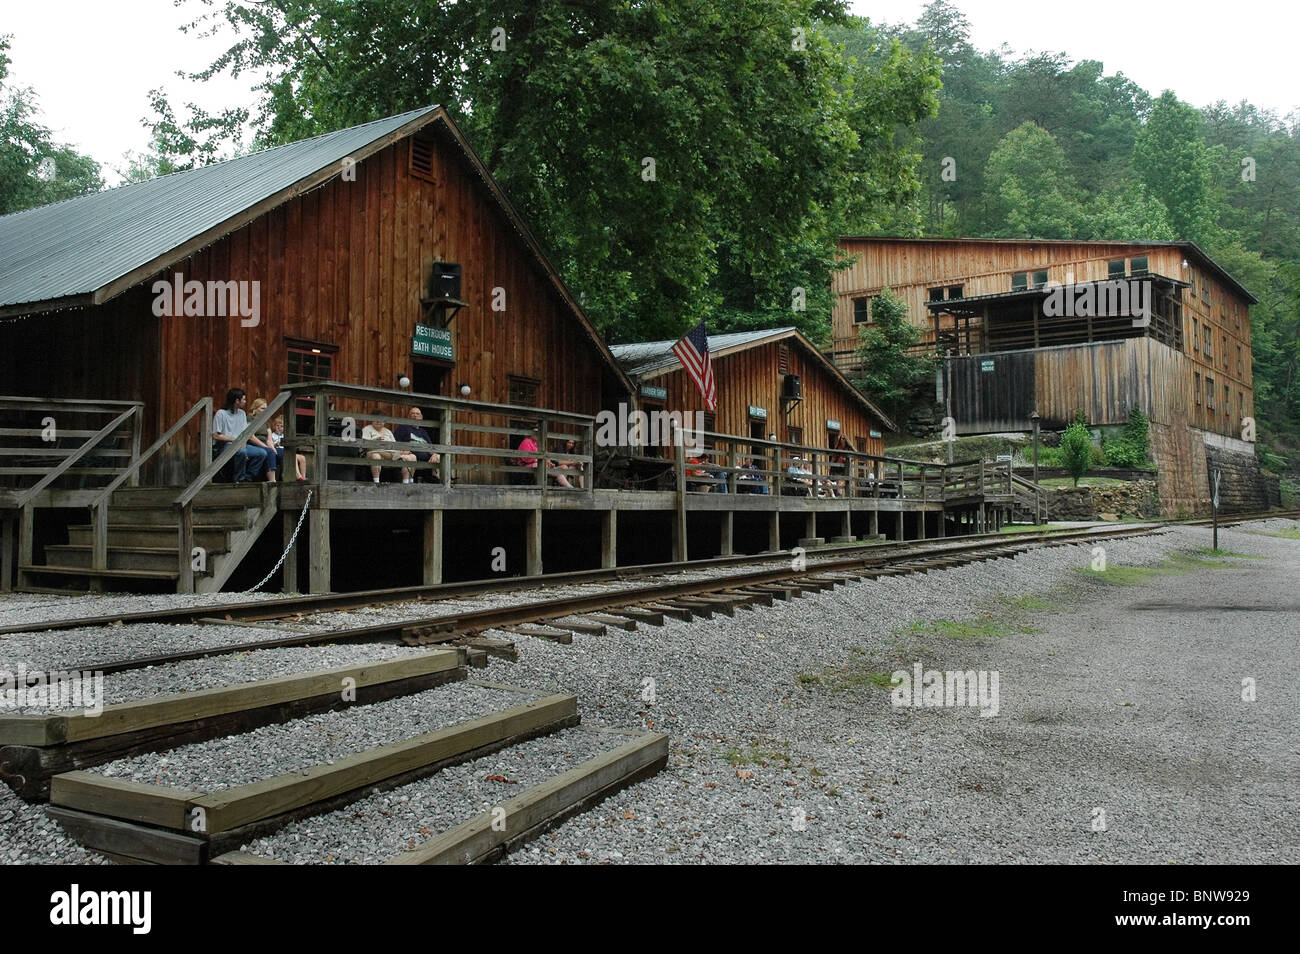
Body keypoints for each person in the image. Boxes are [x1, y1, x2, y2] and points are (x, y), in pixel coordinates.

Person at [212, 388, 266, 483]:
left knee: (261, 453)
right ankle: (239, 480)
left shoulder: (242, 413)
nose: (245, 402)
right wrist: (234, 440)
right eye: (243, 399)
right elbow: (216, 435)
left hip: (240, 445)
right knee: (241, 452)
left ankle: (247, 478)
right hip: (225, 445)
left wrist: (243, 444)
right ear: (237, 401)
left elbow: (245, 433)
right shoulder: (221, 413)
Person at [362, 412, 416, 483]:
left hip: (391, 454)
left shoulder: (388, 431)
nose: (378, 421)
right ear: (371, 420)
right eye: (376, 419)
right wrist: (375, 440)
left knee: (411, 457)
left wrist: (402, 451)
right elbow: (364, 445)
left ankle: (407, 482)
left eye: (381, 420)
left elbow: (394, 445)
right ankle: (376, 482)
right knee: (376, 456)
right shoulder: (367, 429)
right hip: (375, 452)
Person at [393, 406, 440, 484]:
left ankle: (438, 481)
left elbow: (430, 446)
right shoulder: (403, 427)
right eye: (412, 413)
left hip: (427, 458)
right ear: (409, 416)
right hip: (411, 455)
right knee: (411, 458)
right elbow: (395, 441)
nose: (415, 415)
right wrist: (403, 450)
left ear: (421, 417)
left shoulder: (423, 432)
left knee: (439, 457)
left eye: (417, 414)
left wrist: (434, 454)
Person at [246, 397, 278, 482]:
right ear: (255, 409)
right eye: (262, 408)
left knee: (281, 452)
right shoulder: (250, 418)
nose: (265, 410)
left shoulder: (265, 422)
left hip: (265, 443)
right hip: (254, 443)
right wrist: (266, 447)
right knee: (269, 452)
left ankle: (283, 477)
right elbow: (251, 436)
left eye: (266, 409)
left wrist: (272, 447)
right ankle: (272, 480)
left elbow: (269, 438)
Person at [268, 416, 307, 481]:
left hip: (287, 452)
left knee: (302, 458)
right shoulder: (272, 435)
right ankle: (298, 476)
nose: (279, 428)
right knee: (292, 456)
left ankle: (303, 476)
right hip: (278, 452)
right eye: (277, 425)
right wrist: (275, 444)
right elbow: (270, 445)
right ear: (274, 426)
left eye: (282, 426)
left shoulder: (285, 436)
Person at [829, 434, 852, 498]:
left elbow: (855, 455)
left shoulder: (848, 448)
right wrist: (831, 465)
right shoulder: (838, 447)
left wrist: (848, 460)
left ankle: (840, 495)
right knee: (838, 481)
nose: (842, 440)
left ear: (846, 440)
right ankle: (839, 495)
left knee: (842, 482)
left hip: (844, 468)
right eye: (841, 438)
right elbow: (833, 457)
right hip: (837, 467)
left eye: (843, 438)